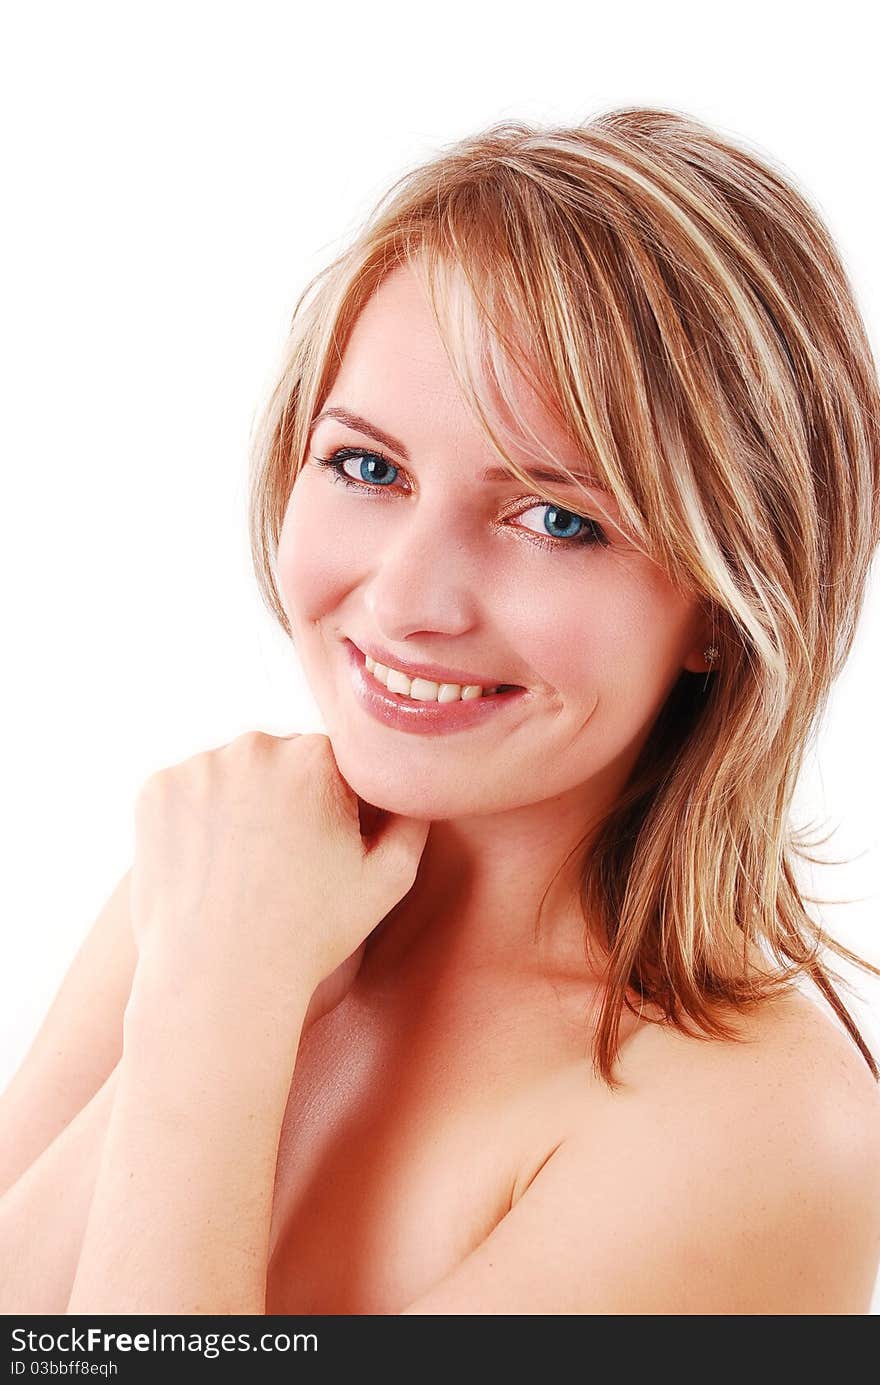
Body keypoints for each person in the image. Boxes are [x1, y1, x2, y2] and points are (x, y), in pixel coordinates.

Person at [2, 105, 880, 1317]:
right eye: (367, 466)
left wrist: (219, 1012)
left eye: (557, 519)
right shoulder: (230, 870)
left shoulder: (762, 1130)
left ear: (730, 605)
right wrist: (221, 963)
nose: (409, 598)